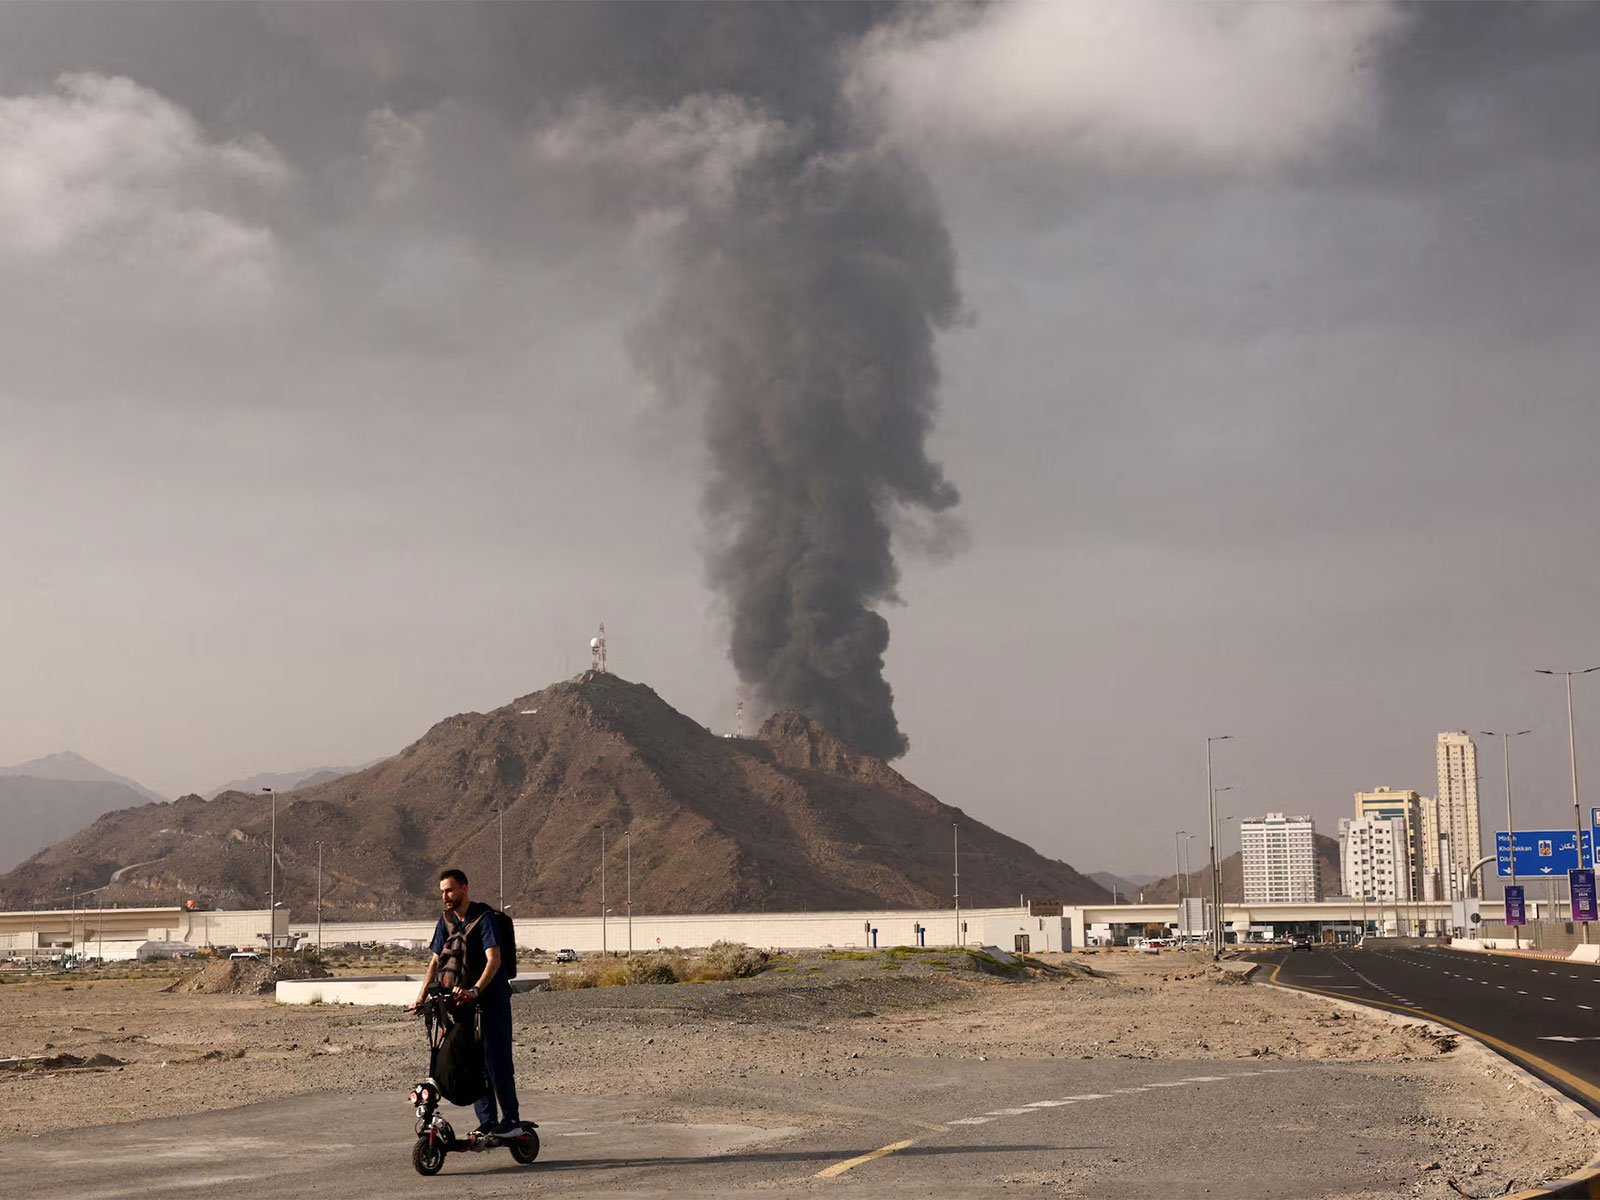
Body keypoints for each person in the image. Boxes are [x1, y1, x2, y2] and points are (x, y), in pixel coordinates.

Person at [413, 867, 521, 1136]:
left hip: (491, 1000)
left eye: (449, 890)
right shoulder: (446, 921)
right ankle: (487, 1121)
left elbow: (494, 960)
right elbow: (435, 961)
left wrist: (476, 989)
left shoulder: (484, 919)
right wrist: (421, 996)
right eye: (442, 892)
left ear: (464, 888)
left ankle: (511, 1120)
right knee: (472, 1062)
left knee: (497, 1061)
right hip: (462, 1005)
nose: (445, 896)